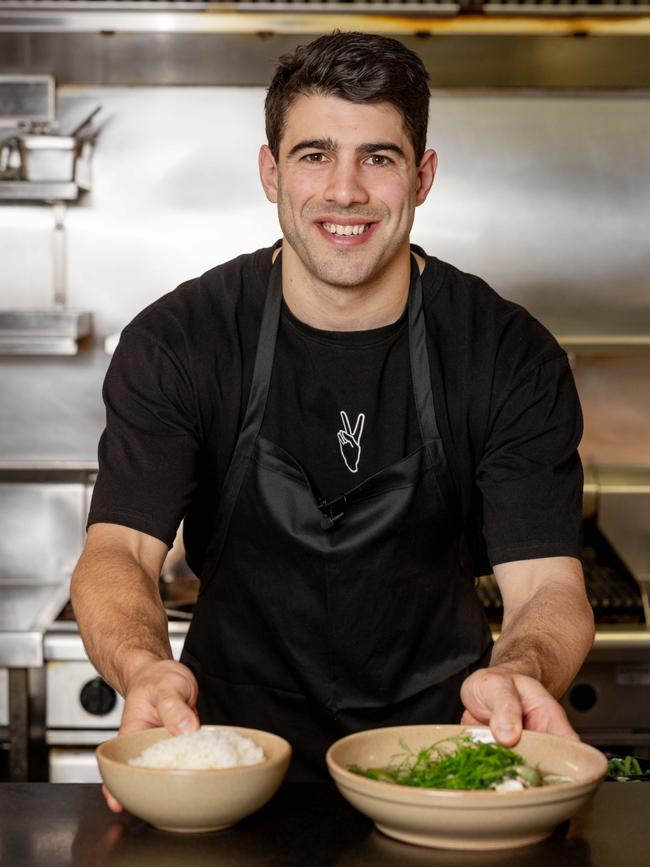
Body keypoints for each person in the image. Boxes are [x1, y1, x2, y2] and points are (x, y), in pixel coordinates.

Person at [71, 31, 594, 806]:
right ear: (270, 171)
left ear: (422, 178)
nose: (344, 191)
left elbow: (549, 583)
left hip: (440, 765)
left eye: (378, 159)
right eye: (315, 154)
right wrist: (145, 669)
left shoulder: (507, 352)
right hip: (224, 765)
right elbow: (117, 549)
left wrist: (518, 675)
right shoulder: (180, 339)